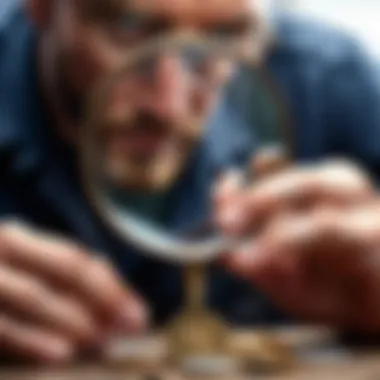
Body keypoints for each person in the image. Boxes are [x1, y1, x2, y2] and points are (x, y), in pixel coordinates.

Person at [1, 0, 380, 364]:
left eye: (225, 37)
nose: (170, 106)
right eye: (129, 28)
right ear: (42, 6)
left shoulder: (330, 82)